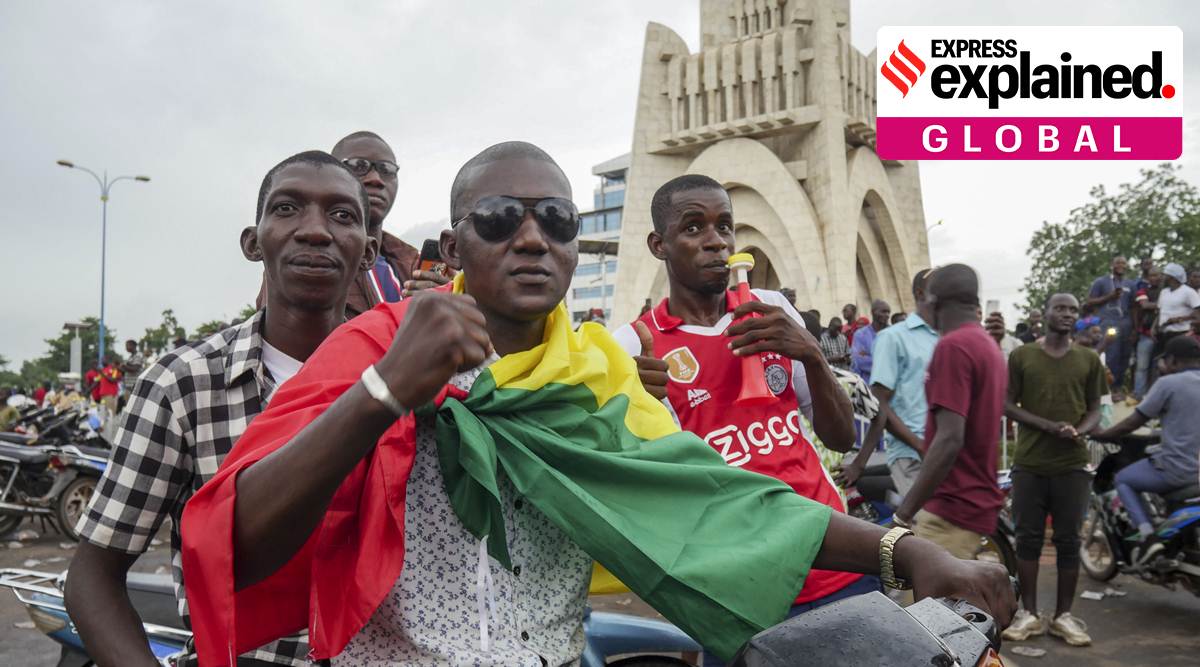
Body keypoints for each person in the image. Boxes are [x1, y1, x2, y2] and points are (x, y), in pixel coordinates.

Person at [180, 143, 1014, 667]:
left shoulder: (596, 370)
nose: (532, 238)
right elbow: (239, 542)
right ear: (457, 243)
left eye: (556, 220)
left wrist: (905, 549)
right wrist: (385, 392)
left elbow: (715, 498)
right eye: (500, 218)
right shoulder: (376, 347)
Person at [65, 150, 377, 667]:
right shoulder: (181, 384)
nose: (315, 231)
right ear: (253, 243)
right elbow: (92, 576)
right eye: (287, 209)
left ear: (368, 252)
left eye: (342, 215)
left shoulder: (406, 376)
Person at [611, 175, 869, 665]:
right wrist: (637, 411)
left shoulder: (771, 310)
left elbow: (840, 437)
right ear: (658, 245)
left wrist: (812, 355)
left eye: (725, 226)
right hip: (740, 591)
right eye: (694, 228)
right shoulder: (633, 345)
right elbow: (641, 488)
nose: (716, 241)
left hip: (837, 566)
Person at [1003, 293, 1105, 647]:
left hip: (1072, 464)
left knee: (1068, 540)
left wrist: (1081, 430)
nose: (1067, 314)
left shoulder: (1088, 359)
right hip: (1030, 463)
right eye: (1060, 308)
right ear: (1045, 313)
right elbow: (1006, 404)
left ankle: (1063, 617)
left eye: (1073, 310)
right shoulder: (1022, 356)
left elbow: (1096, 408)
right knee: (1027, 539)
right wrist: (1047, 426)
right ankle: (1029, 614)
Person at [256, 132, 449, 318]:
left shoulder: (411, 263)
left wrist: (450, 298)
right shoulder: (303, 263)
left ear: (369, 252)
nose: (375, 179)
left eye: (387, 169)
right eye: (358, 165)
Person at [891, 265, 1006, 564]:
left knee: (920, 595)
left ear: (933, 300)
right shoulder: (986, 344)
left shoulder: (953, 346)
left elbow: (950, 438)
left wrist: (904, 514)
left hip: (951, 509)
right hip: (973, 503)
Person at [1092, 336, 1200, 554]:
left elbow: (1134, 421)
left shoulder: (1168, 383)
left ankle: (1147, 536)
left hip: (1177, 469)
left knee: (1123, 479)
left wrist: (1102, 435)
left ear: (1172, 360)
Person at [838, 270, 935, 501]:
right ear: (921, 293)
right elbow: (878, 403)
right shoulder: (891, 337)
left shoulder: (945, 337)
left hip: (941, 452)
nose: (885, 315)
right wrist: (920, 445)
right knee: (923, 521)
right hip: (912, 454)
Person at [1086, 254, 1136, 400]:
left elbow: (1134, 307)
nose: (1121, 265)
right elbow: (1090, 301)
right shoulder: (1101, 282)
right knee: (1111, 355)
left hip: (1126, 322)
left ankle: (1118, 387)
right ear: (1112, 265)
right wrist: (1110, 296)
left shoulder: (1130, 284)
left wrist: (1135, 328)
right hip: (1108, 321)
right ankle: (1108, 388)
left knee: (1125, 356)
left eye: (1123, 263)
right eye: (1117, 263)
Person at [1132, 266, 1163, 401]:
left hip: (1162, 336)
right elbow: (1144, 305)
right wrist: (1164, 304)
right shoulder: (1142, 291)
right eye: (1152, 275)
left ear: (1161, 276)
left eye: (1157, 275)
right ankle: (1138, 394)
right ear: (1148, 277)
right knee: (1142, 366)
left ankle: (1155, 397)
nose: (1154, 278)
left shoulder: (1166, 291)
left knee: (1158, 367)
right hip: (1145, 334)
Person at [1156, 263, 1200, 354]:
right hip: (1164, 333)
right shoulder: (1164, 292)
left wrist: (1179, 319)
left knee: (1178, 359)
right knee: (1161, 359)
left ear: (1172, 277)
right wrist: (1154, 328)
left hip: (1181, 332)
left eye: (1165, 275)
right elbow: (1161, 312)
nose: (1162, 277)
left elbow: (1197, 313)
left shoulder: (1188, 292)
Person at [850, 299, 890, 381]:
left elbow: (899, 360)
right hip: (869, 382)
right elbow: (859, 360)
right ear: (873, 312)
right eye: (883, 312)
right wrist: (888, 364)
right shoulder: (860, 334)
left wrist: (869, 356)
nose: (887, 315)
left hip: (891, 383)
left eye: (888, 312)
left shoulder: (893, 333)